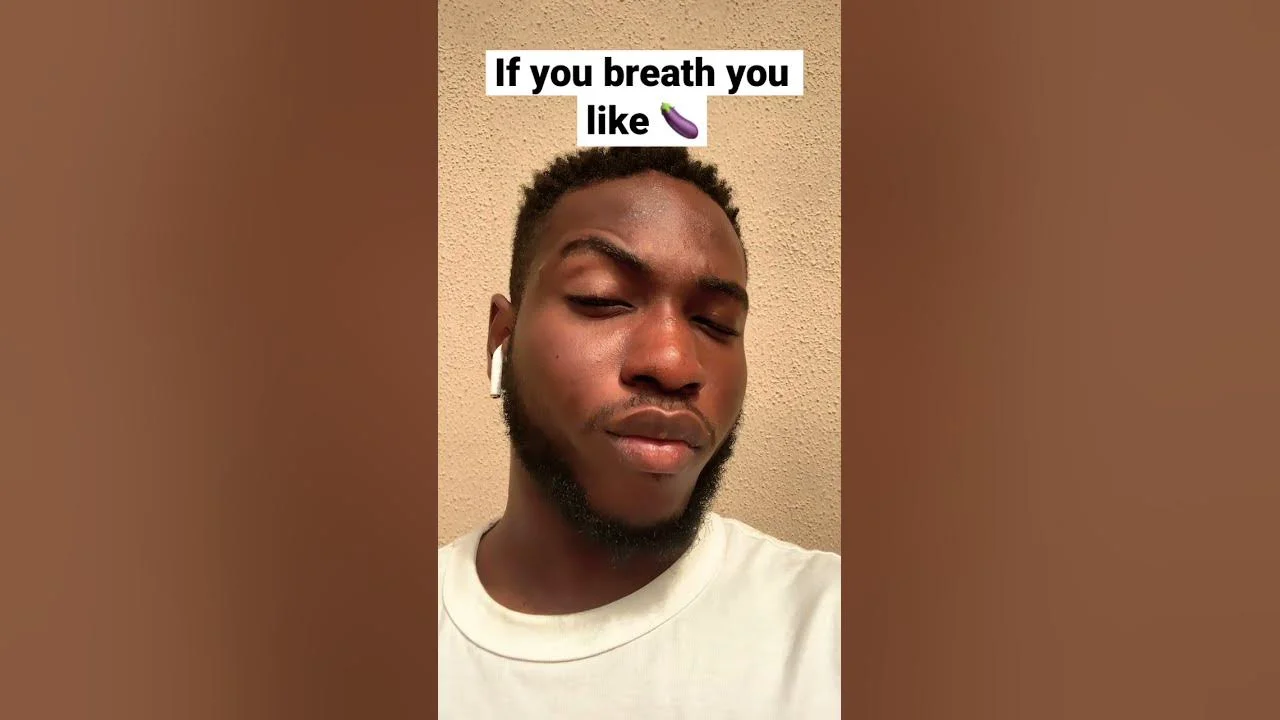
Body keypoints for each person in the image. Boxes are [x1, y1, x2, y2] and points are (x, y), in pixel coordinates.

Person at [438, 147, 840, 718]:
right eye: (601, 298)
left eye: (716, 323)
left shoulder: (831, 628)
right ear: (502, 338)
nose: (674, 363)